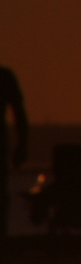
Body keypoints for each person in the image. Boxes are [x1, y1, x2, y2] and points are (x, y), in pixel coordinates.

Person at [0, 66, 27, 239]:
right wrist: (22, 145)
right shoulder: (5, 76)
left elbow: (19, 112)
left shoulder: (5, 76)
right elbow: (19, 112)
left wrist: (22, 145)